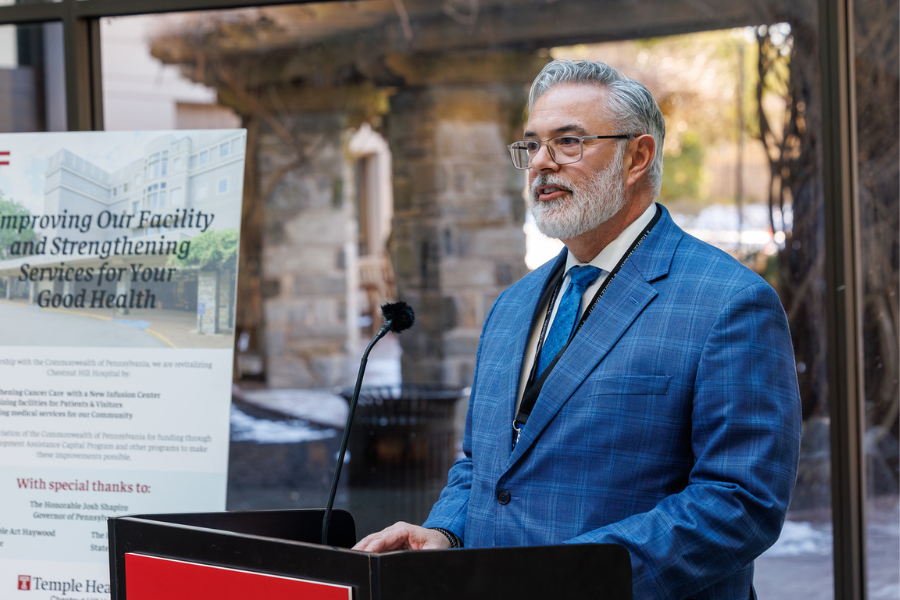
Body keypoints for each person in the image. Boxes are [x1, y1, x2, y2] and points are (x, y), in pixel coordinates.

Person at [353, 58, 802, 600]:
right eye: (533, 145)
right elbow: (485, 464)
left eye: (568, 142)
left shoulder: (730, 302)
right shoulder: (512, 306)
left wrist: (575, 577)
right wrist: (445, 531)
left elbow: (741, 503)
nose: (542, 163)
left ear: (638, 157)